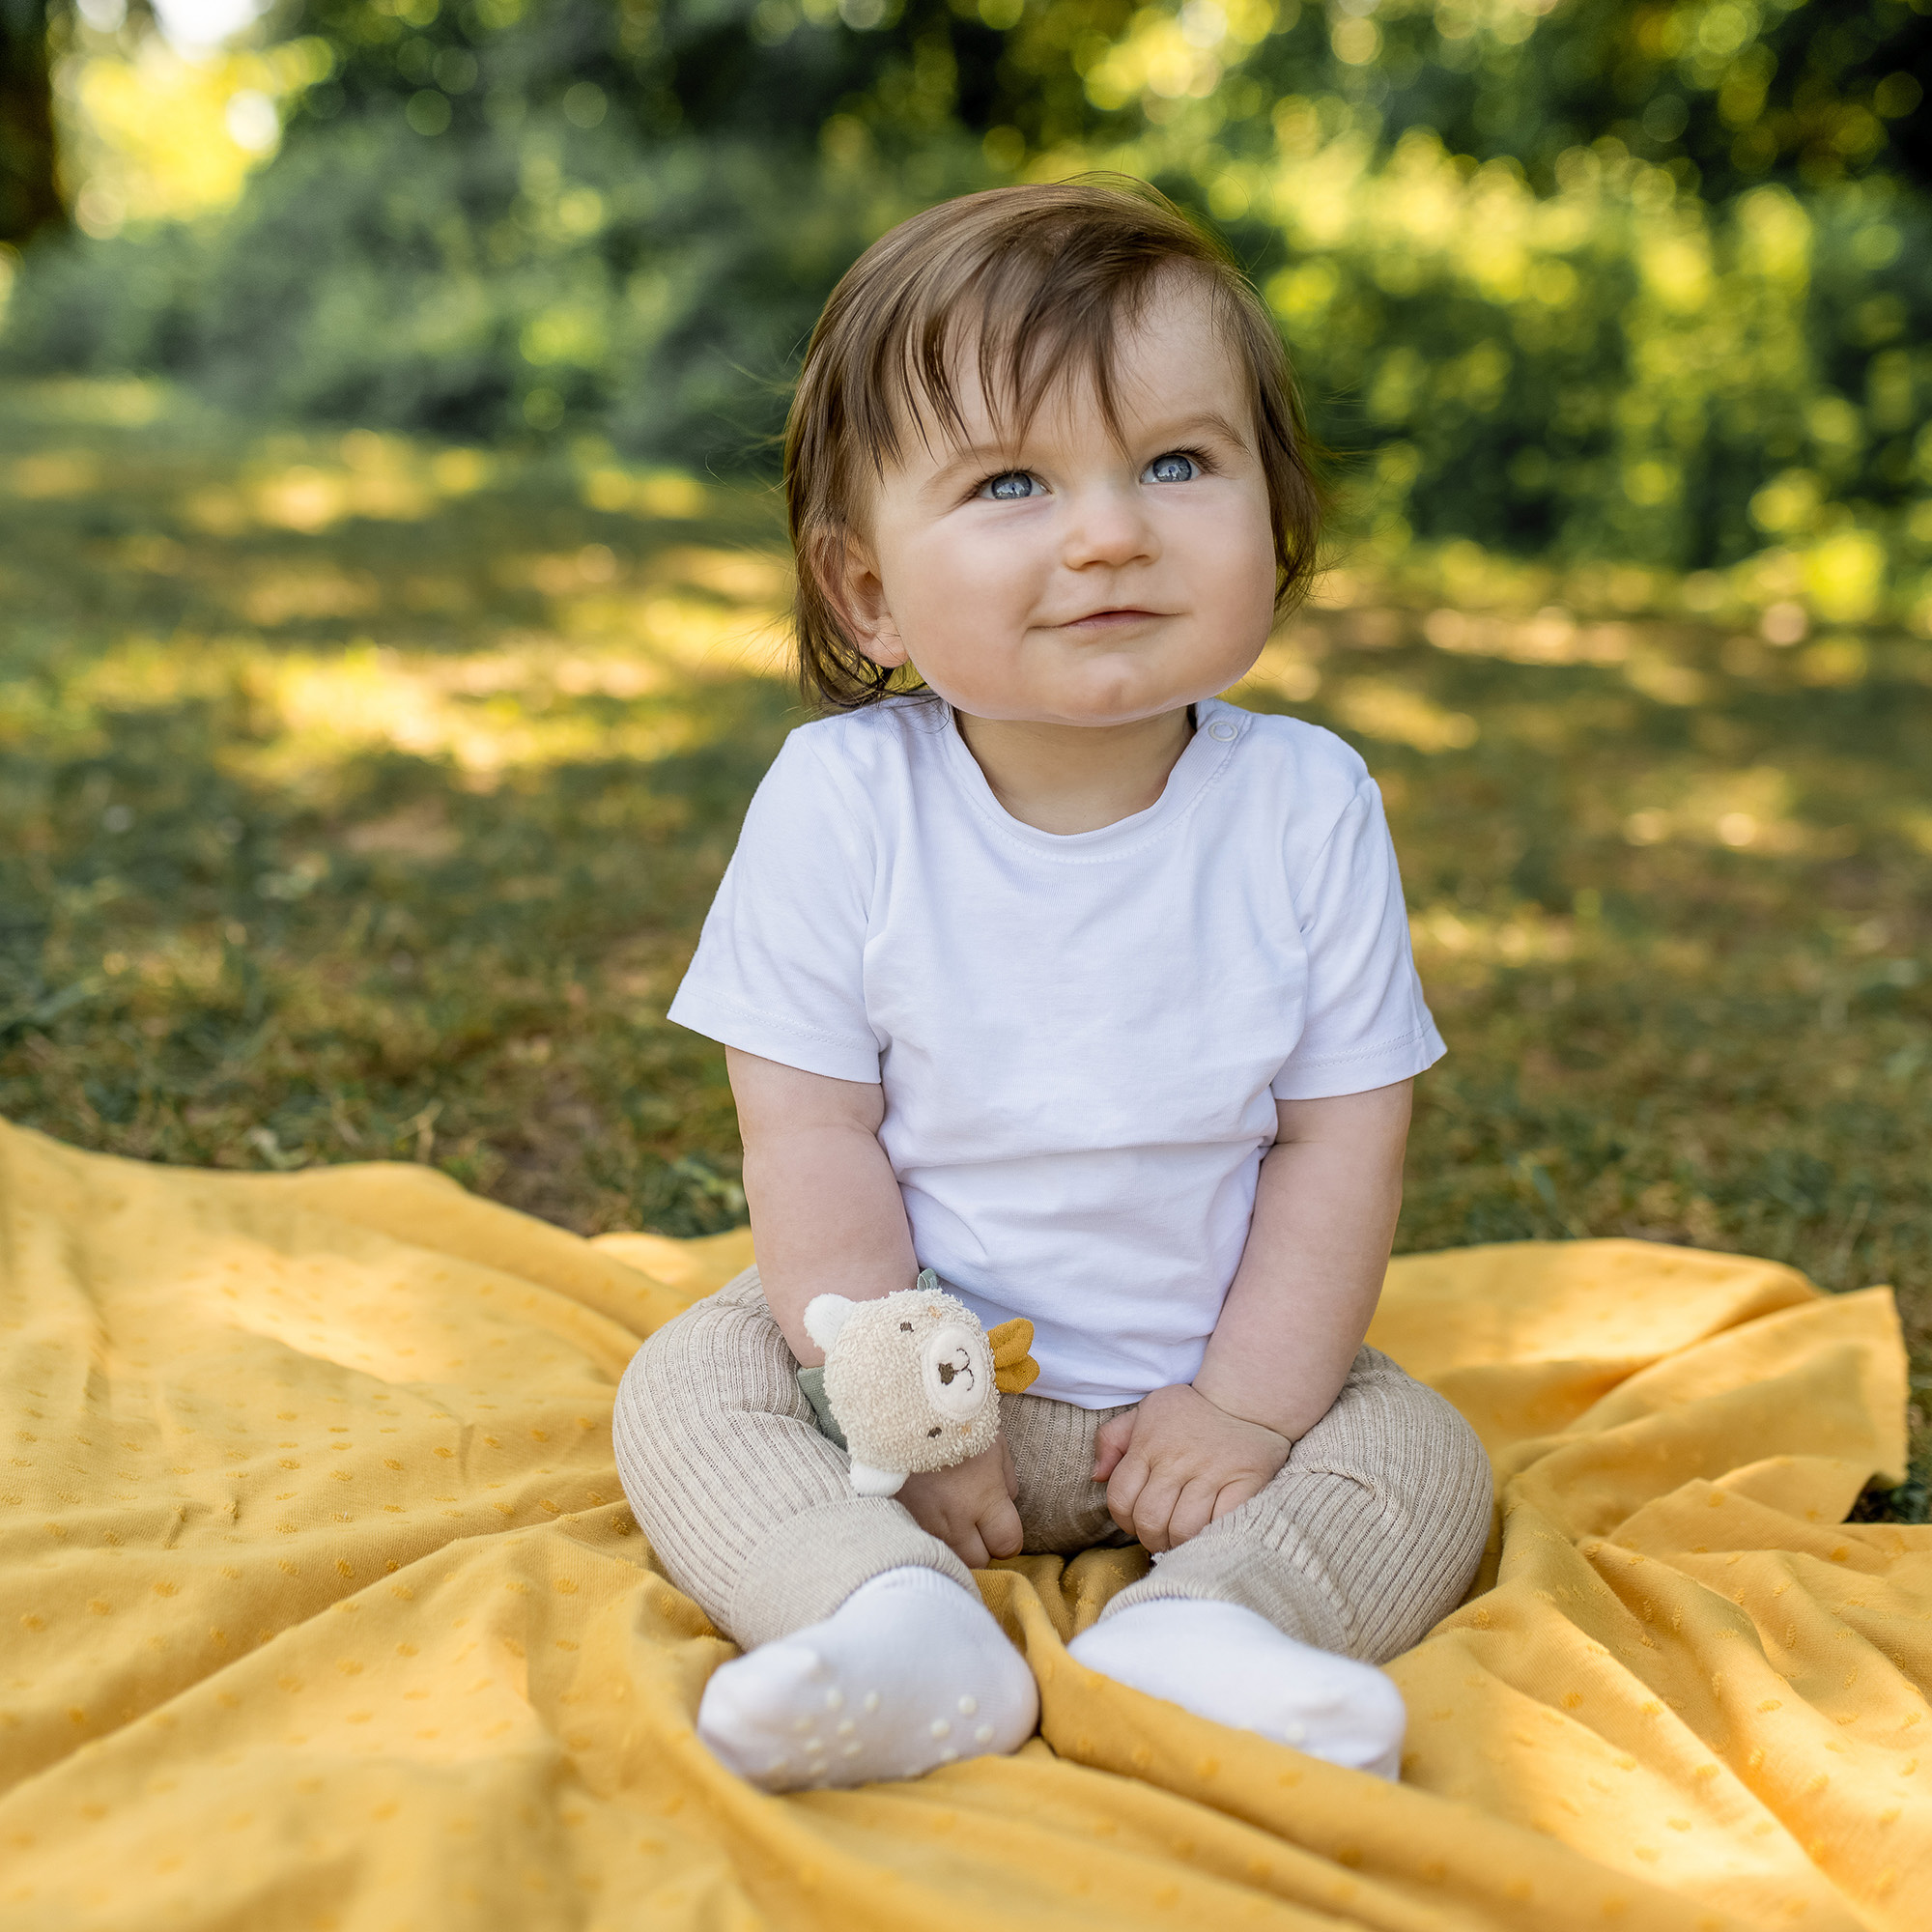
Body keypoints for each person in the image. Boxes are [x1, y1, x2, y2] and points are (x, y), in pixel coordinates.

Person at [612, 177, 1492, 1795]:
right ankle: (881, 1619)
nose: (1110, 530)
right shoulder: (843, 806)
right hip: (924, 1363)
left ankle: (1220, 1634)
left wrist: (1245, 1410)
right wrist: (903, 1426)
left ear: (1272, 518)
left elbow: (1341, 1140)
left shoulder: (1307, 804)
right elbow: (809, 1144)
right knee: (691, 1382)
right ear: (864, 588)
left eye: (1176, 462)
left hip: (1206, 1383)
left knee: (1424, 1453)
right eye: (1013, 480)